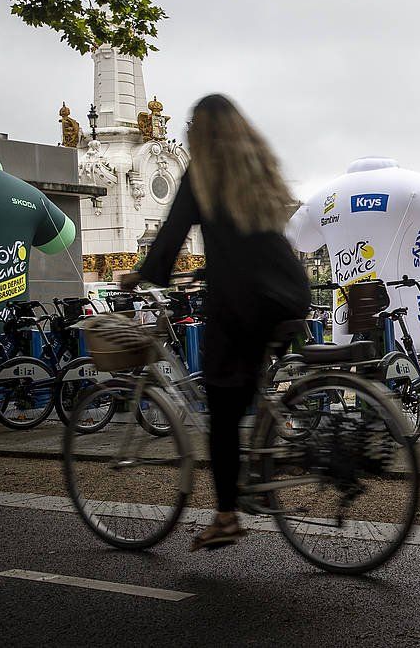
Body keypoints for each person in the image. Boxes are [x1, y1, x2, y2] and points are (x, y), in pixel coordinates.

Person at [125, 94, 310, 552]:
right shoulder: (257, 172)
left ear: (202, 131)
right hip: (289, 292)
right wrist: (211, 269)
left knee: (223, 411)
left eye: (191, 123)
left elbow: (170, 236)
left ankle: (227, 516)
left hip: (245, 304)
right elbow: (251, 243)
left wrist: (143, 275)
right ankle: (265, 461)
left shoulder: (203, 173)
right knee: (248, 388)